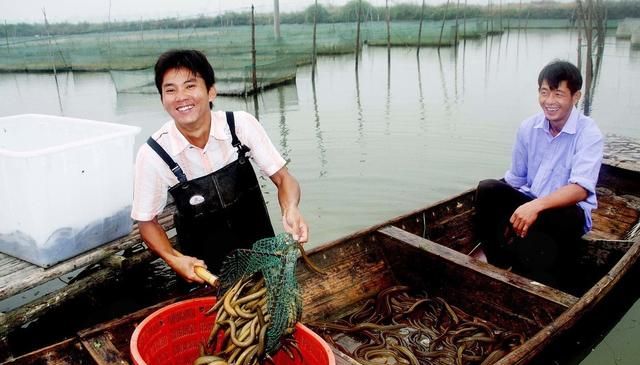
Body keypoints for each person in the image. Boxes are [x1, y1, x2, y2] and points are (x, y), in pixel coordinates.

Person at [131, 49, 308, 284]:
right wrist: (173, 258)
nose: (181, 97)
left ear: (211, 91)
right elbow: (146, 222)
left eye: (190, 86)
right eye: (170, 90)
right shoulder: (153, 154)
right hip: (203, 275)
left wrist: (290, 209)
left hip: (262, 262)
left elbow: (284, 179)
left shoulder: (240, 126)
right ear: (162, 99)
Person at [474, 60, 603, 285]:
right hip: (530, 204)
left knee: (544, 249)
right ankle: (498, 261)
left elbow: (581, 189)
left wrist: (536, 206)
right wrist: (504, 213)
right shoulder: (528, 128)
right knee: (487, 189)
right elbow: (516, 179)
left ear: (576, 97)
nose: (549, 101)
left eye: (558, 94)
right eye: (544, 93)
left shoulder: (589, 133)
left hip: (565, 214)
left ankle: (533, 262)